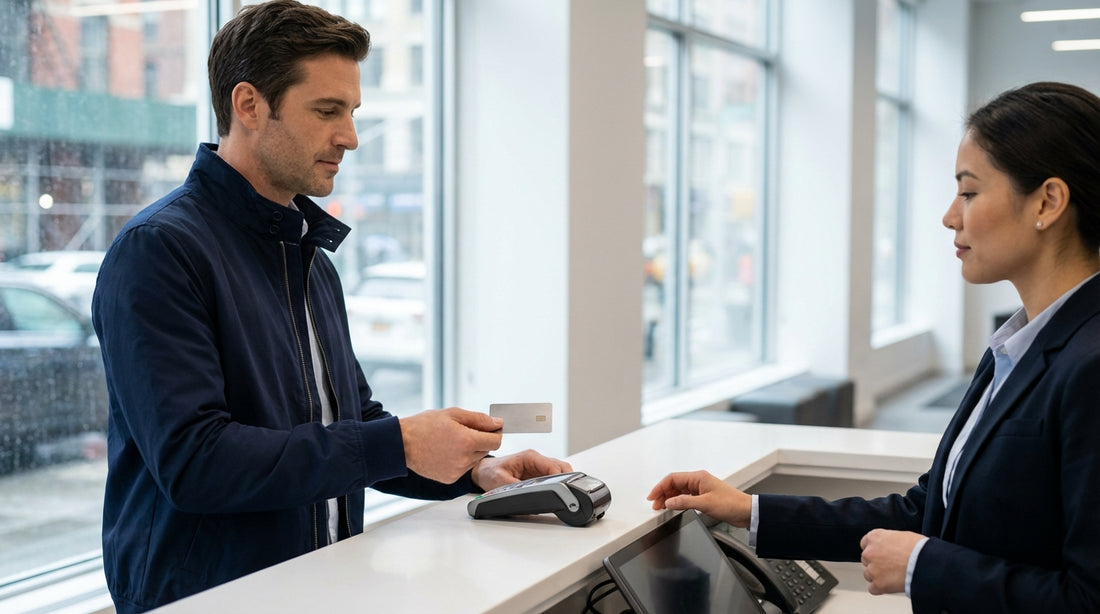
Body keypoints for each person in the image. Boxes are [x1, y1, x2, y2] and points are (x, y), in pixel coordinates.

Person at [91, 2, 571, 612]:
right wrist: (397, 442)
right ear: (248, 105)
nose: (349, 136)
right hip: (209, 599)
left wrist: (469, 472)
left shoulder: (309, 256)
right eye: (327, 111)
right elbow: (195, 462)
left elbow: (349, 420)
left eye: (351, 111)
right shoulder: (159, 252)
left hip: (319, 587)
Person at [647, 81, 1100, 613]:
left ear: (1048, 201)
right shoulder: (1017, 347)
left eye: (970, 192)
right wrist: (751, 510)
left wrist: (922, 566)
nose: (950, 216)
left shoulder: (1090, 364)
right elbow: (927, 510)